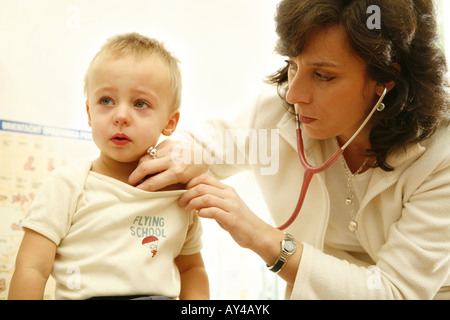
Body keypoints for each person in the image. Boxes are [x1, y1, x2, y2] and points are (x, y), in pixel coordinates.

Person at [136, 0, 450, 299]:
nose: (294, 94)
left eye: (323, 75)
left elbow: (394, 293)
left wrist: (263, 237)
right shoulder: (275, 116)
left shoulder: (441, 155)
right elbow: (192, 148)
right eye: (292, 65)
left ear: (386, 79)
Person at [8, 32, 209, 300]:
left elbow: (192, 269)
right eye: (106, 101)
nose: (121, 116)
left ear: (170, 122)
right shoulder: (67, 186)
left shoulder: (179, 196)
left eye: (140, 103)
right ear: (90, 113)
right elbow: (32, 268)